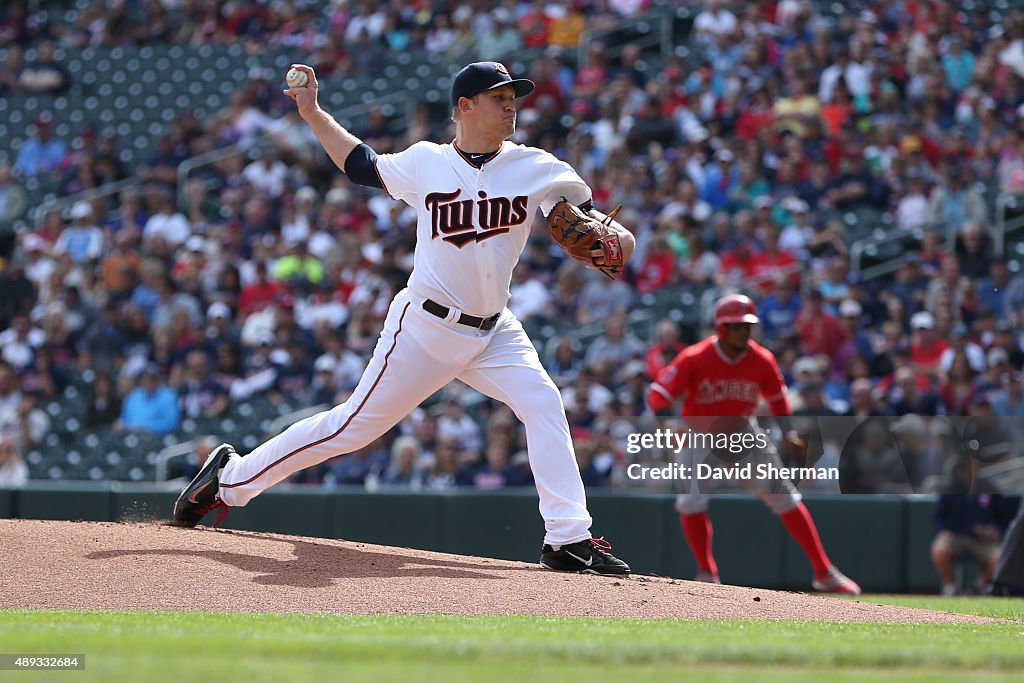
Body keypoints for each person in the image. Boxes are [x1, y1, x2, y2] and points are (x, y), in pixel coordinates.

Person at [174, 61, 635, 576]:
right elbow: (360, 164)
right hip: (425, 328)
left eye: (514, 97)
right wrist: (312, 111)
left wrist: (618, 244)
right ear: (465, 107)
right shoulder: (427, 163)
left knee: (544, 403)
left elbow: (611, 233)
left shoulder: (540, 168)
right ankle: (230, 480)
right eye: (500, 96)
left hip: (494, 329)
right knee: (350, 428)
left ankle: (567, 539)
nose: (512, 105)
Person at [646, 294, 861, 594]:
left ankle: (823, 571)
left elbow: (778, 402)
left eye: (746, 326)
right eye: (735, 326)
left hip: (742, 435)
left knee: (786, 498)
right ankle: (707, 573)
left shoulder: (762, 359)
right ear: (721, 328)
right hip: (698, 435)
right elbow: (658, 395)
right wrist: (669, 425)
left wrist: (790, 436)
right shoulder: (695, 356)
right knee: (690, 502)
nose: (742, 332)